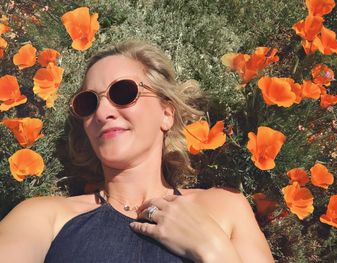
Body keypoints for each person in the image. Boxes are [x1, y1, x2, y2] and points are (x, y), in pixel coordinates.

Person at [0, 40, 274, 262]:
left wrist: (214, 250)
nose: (103, 112)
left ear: (166, 113)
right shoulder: (43, 217)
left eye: (123, 92)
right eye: (88, 102)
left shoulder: (225, 208)